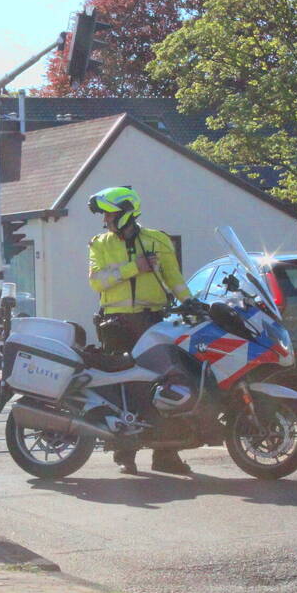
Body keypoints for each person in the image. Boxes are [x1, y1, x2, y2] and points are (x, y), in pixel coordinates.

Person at [87, 186, 193, 476]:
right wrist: (134, 267)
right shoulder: (100, 243)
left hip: (153, 320)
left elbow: (174, 278)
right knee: (122, 388)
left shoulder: (157, 240)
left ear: (124, 212)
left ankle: (166, 455)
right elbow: (97, 281)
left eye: (109, 213)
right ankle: (125, 455)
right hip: (116, 323)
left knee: (165, 385)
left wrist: (192, 303)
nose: (105, 220)